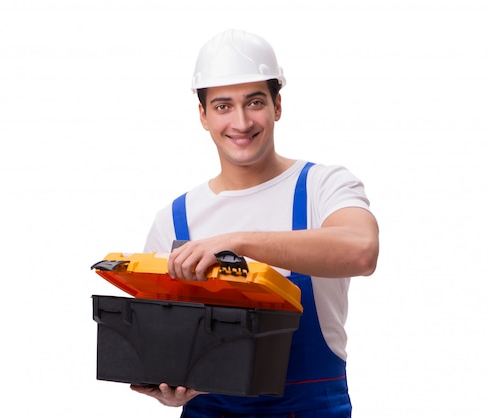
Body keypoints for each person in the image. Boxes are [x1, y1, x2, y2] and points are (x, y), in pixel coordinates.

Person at [131, 29, 380, 418]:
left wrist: (237, 243)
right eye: (223, 106)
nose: (242, 122)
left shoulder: (321, 186)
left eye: (255, 102)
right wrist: (170, 387)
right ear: (203, 115)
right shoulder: (174, 220)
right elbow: (163, 344)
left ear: (277, 105)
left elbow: (361, 251)